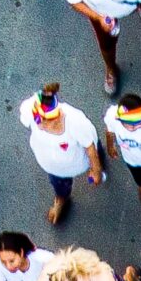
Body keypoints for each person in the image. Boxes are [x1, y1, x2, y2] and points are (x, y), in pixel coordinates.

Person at [21, 83, 105, 224]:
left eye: (50, 122)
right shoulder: (29, 108)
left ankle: (102, 162)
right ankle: (61, 198)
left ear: (59, 115)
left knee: (98, 153)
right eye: (38, 120)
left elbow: (89, 147)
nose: (43, 126)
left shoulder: (75, 121)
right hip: (53, 167)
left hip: (79, 162)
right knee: (59, 185)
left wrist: (95, 170)